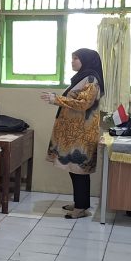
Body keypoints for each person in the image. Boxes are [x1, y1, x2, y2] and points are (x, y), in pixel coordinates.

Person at [41, 48, 104, 220]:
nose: (72, 61)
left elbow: (83, 103)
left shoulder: (91, 79)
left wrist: (56, 99)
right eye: (72, 58)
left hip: (81, 134)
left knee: (79, 170)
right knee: (75, 170)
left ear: (86, 60)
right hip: (75, 133)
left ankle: (81, 207)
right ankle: (80, 204)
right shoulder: (82, 78)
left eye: (76, 58)